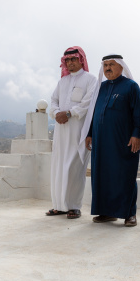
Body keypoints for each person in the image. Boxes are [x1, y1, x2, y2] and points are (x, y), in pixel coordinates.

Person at [84, 54, 140, 225]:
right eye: (105, 65)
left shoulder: (131, 86)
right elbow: (92, 113)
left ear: (121, 67)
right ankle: (106, 212)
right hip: (101, 141)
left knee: (124, 175)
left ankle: (129, 214)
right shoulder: (100, 88)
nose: (108, 68)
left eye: (111, 64)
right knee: (102, 175)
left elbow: (139, 113)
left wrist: (136, 134)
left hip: (122, 140)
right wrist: (89, 134)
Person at [47, 46, 97, 219]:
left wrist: (69, 113)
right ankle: (59, 205)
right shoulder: (62, 81)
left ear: (80, 60)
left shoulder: (91, 80)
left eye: (73, 59)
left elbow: (87, 103)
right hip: (61, 131)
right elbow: (53, 100)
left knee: (75, 168)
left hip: (78, 131)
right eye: (67, 60)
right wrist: (55, 113)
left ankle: (74, 206)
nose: (70, 63)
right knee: (59, 166)